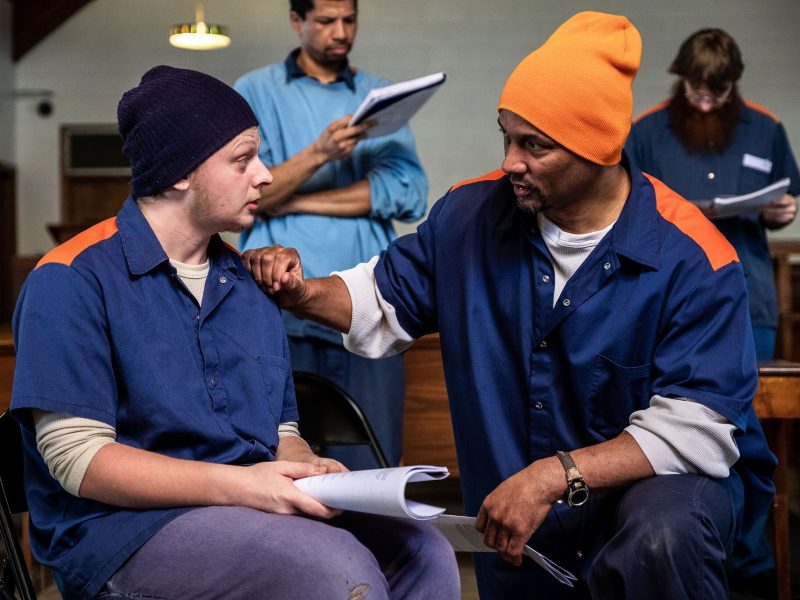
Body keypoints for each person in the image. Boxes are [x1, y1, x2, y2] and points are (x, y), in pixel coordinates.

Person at [243, 12, 777, 599]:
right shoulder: (470, 217)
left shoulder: (695, 257)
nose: (510, 162)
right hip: (528, 540)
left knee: (660, 533)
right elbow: (378, 296)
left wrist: (557, 474)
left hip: (655, 514)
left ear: (599, 147)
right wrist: (302, 291)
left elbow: (697, 427)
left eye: (534, 146)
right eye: (506, 135)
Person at [9, 65, 459, 600]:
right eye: (243, 160)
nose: (266, 176)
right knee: (330, 568)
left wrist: (300, 463)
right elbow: (77, 460)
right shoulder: (70, 279)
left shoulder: (248, 283)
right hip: (121, 531)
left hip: (245, 506)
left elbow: (281, 429)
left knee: (424, 550)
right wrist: (250, 487)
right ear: (180, 173)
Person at [233, 0, 428, 470]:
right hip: (280, 310)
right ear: (297, 22)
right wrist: (320, 153)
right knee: (283, 464)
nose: (340, 32)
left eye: (349, 20)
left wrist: (294, 197)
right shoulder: (254, 91)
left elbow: (409, 191)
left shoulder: (380, 93)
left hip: (371, 309)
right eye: (325, 21)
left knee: (374, 463)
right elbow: (249, 190)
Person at [626, 28, 800, 362]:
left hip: (752, 296)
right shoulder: (645, 131)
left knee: (756, 402)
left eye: (718, 93)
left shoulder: (767, 128)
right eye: (697, 91)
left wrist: (782, 213)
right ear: (681, 79)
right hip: (670, 294)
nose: (706, 104)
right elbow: (626, 208)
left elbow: (783, 196)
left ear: (734, 83)